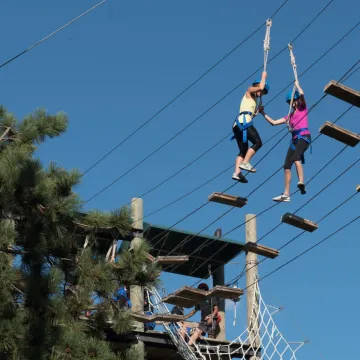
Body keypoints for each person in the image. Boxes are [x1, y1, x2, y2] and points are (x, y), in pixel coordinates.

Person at [259, 80, 311, 202]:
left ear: (297, 100)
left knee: (296, 157)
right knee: (287, 166)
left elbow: (302, 94)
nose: (292, 104)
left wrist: (297, 85)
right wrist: (262, 113)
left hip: (304, 137)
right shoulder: (289, 116)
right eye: (290, 103)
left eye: (293, 101)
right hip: (294, 140)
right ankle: (286, 194)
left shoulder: (302, 108)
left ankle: (301, 182)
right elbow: (273, 122)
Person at [231, 71, 269, 183]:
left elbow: (249, 113)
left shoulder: (253, 100)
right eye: (261, 91)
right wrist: (264, 77)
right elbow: (261, 87)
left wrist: (258, 111)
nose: (261, 93)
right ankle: (245, 163)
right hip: (243, 122)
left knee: (243, 151)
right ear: (255, 86)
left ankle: (237, 173)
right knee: (258, 142)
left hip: (238, 124)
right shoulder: (249, 90)